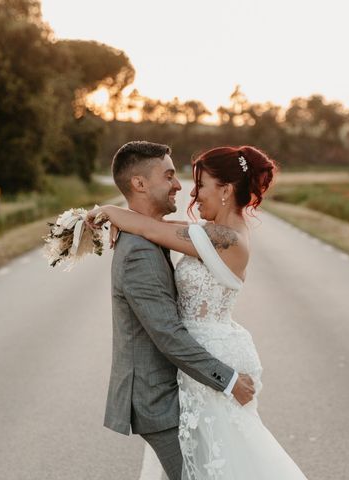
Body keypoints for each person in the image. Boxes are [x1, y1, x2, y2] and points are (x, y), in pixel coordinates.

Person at [88, 143, 310, 479]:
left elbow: (152, 229)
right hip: (200, 364)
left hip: (213, 361)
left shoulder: (226, 239)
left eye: (201, 186)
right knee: (212, 462)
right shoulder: (210, 234)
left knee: (217, 461)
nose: (192, 195)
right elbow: (156, 226)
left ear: (225, 190)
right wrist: (122, 216)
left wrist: (108, 210)